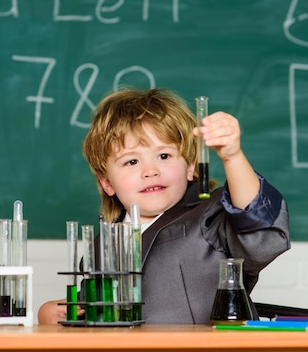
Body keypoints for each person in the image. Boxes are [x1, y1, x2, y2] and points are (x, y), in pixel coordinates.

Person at [38, 87, 290, 324]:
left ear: (191, 166)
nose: (150, 171)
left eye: (164, 156)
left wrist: (232, 156)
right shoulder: (103, 244)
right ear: (107, 183)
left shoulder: (212, 216)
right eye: (131, 162)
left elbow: (259, 232)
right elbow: (93, 311)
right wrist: (50, 312)